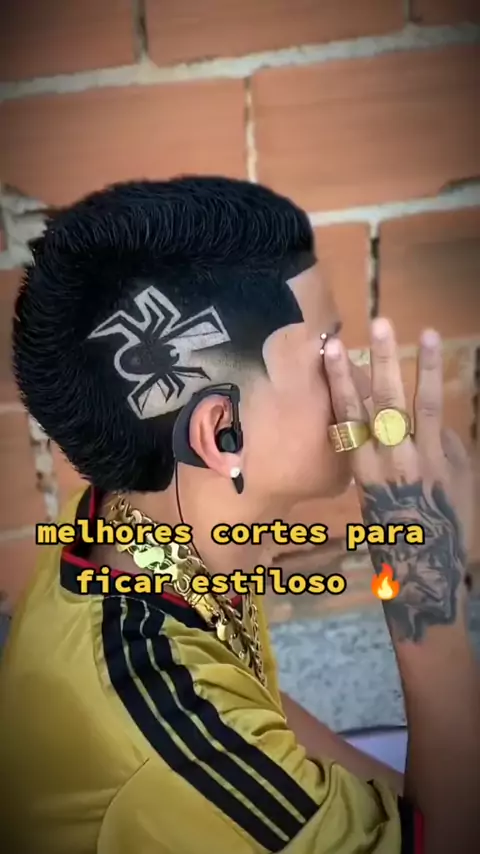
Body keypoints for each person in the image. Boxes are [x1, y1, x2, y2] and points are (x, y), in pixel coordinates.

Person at [0, 177, 478, 854]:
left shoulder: (133, 520)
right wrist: (432, 595)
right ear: (221, 434)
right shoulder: (176, 736)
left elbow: (254, 704)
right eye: (327, 355)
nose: (361, 384)